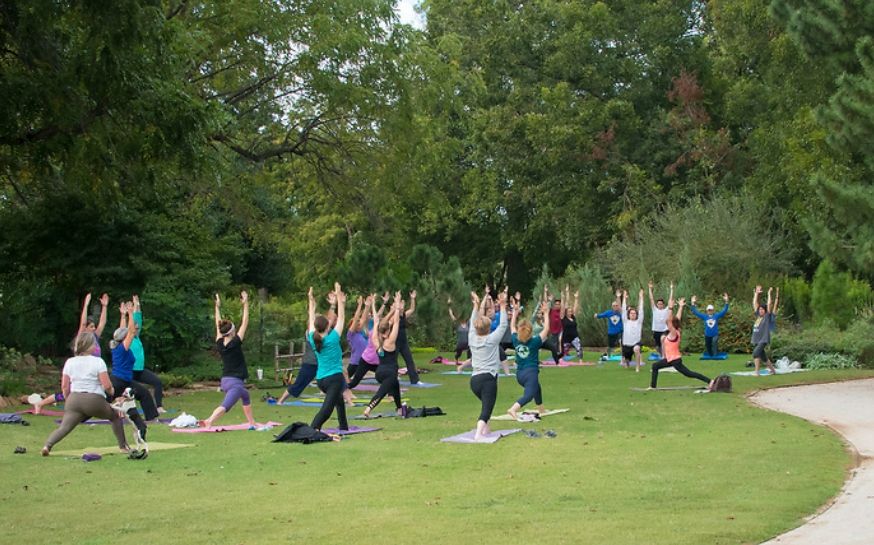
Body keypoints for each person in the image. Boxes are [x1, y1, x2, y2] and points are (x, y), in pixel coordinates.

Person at [41, 332, 129, 456]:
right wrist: (112, 392)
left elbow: (65, 386)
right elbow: (107, 385)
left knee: (65, 427)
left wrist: (68, 399)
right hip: (94, 399)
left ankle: (47, 446)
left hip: (74, 399)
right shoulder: (98, 362)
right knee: (115, 416)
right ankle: (123, 447)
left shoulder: (70, 362)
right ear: (90, 346)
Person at [31, 292, 109, 415]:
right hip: (81, 368)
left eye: (94, 326)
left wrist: (104, 306)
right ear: (86, 328)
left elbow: (103, 323)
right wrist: (86, 305)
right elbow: (83, 323)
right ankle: (40, 403)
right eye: (91, 326)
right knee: (70, 391)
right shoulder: (81, 337)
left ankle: (89, 409)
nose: (94, 328)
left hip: (93, 370)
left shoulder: (95, 337)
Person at [201, 291, 257, 428]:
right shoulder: (235, 342)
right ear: (232, 332)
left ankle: (252, 422)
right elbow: (245, 322)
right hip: (235, 383)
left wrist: (217, 307)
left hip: (226, 380)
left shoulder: (219, 342)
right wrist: (246, 303)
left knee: (246, 396)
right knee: (225, 406)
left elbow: (217, 324)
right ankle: (209, 420)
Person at [307, 284, 349, 431]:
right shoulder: (332, 339)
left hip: (320, 380)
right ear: (327, 326)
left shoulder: (313, 338)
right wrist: (339, 296)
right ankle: (312, 430)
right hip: (334, 378)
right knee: (327, 409)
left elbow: (311, 318)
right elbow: (342, 317)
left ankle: (344, 426)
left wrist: (311, 300)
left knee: (339, 399)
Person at [468, 288, 508, 441]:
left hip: (474, 381)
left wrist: (476, 306)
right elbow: (503, 326)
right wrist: (503, 306)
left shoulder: (472, 337)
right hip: (488, 379)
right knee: (487, 409)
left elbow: (473, 323)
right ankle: (478, 434)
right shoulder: (491, 340)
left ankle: (486, 428)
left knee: (487, 404)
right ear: (488, 328)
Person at [649, 297, 713, 389]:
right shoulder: (675, 330)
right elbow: (677, 319)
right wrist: (680, 307)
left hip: (675, 360)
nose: (667, 322)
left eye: (669, 322)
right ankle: (652, 387)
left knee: (689, 374)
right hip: (670, 359)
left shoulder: (673, 333)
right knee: (655, 366)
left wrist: (670, 308)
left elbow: (670, 321)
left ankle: (710, 381)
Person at [109, 303, 151, 441]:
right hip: (118, 382)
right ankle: (80, 415)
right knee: (103, 403)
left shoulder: (119, 345)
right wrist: (131, 314)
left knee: (141, 395)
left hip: (125, 381)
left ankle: (142, 427)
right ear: (124, 339)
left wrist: (123, 315)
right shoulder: (122, 348)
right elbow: (131, 331)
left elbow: (124, 330)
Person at [506, 292, 550, 419]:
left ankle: (541, 408)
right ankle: (513, 409)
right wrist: (546, 313)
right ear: (530, 331)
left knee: (537, 387)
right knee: (529, 394)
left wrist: (514, 313)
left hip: (519, 374)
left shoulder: (515, 339)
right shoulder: (535, 342)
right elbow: (546, 329)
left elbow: (512, 326)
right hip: (530, 372)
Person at [363, 292, 404, 417]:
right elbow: (396, 322)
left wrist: (374, 304)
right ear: (388, 331)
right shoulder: (390, 342)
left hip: (379, 372)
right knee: (382, 392)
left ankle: (399, 408)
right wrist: (397, 306)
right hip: (389, 373)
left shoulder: (376, 340)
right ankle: (368, 409)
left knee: (395, 385)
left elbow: (376, 321)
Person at [129, 295, 166, 414]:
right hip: (130, 371)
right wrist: (131, 312)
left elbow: (138, 319)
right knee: (129, 390)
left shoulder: (137, 337)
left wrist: (137, 305)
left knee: (157, 382)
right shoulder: (127, 338)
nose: (138, 327)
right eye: (135, 326)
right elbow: (133, 321)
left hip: (139, 370)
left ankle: (159, 406)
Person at [347, 295, 385, 389]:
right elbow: (356, 319)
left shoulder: (360, 332)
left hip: (367, 360)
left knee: (384, 373)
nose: (360, 324)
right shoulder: (351, 334)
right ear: (353, 326)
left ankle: (389, 389)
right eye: (357, 324)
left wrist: (367, 306)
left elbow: (363, 319)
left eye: (360, 324)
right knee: (351, 381)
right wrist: (359, 305)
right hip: (355, 363)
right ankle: (336, 391)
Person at [751, 285, 778, 376]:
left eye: (762, 309)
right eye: (760, 309)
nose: (760, 311)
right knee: (764, 357)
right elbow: (755, 303)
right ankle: (773, 371)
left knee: (755, 353)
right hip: (756, 339)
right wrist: (756, 294)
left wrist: (769, 293)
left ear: (765, 311)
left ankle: (757, 372)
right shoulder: (758, 316)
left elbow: (769, 304)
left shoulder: (767, 317)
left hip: (763, 339)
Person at [621, 289, 645, 372]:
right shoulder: (625, 321)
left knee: (636, 349)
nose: (633, 315)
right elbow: (623, 310)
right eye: (631, 313)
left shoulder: (639, 322)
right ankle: (627, 362)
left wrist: (641, 297)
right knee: (627, 362)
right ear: (629, 314)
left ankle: (637, 367)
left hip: (636, 343)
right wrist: (624, 298)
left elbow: (641, 310)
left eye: (634, 313)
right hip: (626, 344)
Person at [594, 290, 623, 359]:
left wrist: (618, 297)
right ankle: (608, 355)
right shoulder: (608, 313)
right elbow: (601, 315)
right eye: (614, 306)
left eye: (616, 305)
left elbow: (620, 305)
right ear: (612, 306)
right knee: (611, 346)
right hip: (611, 332)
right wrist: (596, 315)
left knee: (622, 343)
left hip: (620, 331)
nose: (615, 306)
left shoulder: (620, 313)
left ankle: (623, 355)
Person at [648, 281, 673, 358]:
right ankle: (662, 355)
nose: (660, 305)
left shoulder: (666, 310)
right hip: (656, 330)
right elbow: (651, 299)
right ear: (657, 304)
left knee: (665, 343)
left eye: (661, 304)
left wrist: (671, 289)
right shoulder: (654, 309)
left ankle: (664, 357)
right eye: (658, 304)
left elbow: (670, 299)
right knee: (658, 346)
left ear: (663, 304)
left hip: (664, 330)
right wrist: (649, 288)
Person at [447, 297, 471, 372]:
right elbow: (451, 315)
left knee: (470, 351)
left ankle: (468, 362)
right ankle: (456, 360)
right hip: (460, 342)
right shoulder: (458, 324)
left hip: (468, 342)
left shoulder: (468, 324)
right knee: (458, 353)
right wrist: (449, 305)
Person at [561, 287, 582, 361]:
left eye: (571, 311)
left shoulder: (573, 317)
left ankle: (580, 360)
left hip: (574, 336)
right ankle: (562, 360)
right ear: (566, 312)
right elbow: (563, 307)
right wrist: (563, 298)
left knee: (579, 348)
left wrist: (576, 298)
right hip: (566, 337)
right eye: (568, 311)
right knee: (564, 351)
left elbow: (575, 308)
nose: (570, 312)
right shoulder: (563, 318)